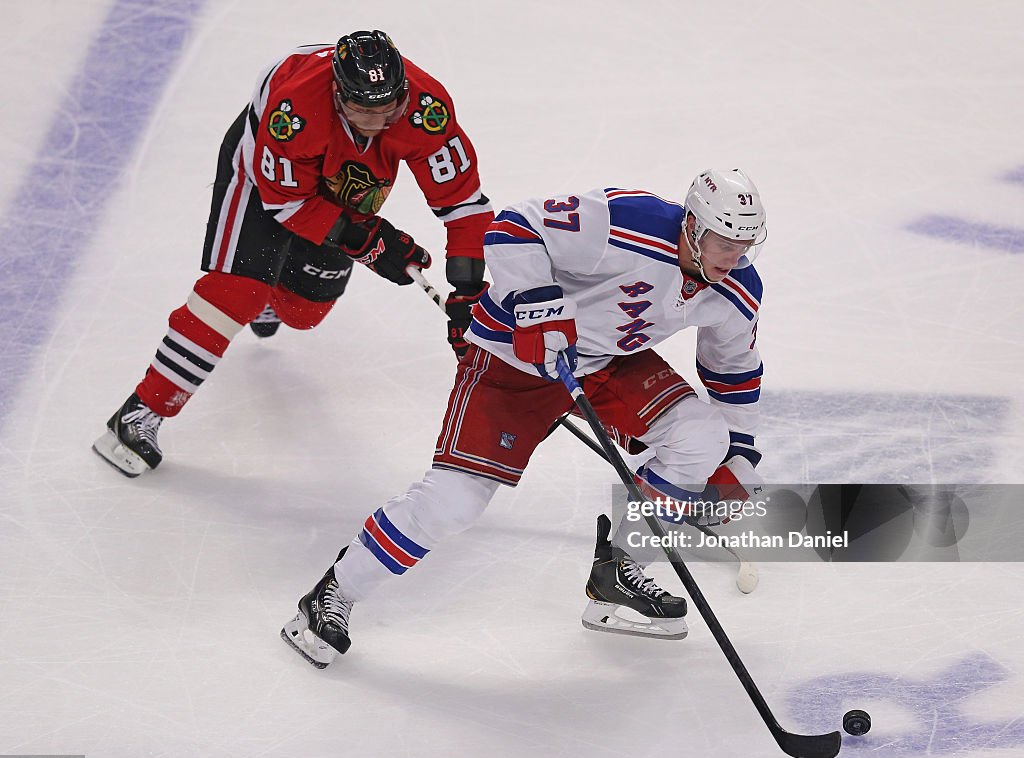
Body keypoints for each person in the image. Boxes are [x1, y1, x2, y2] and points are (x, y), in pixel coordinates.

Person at [281, 169, 768, 668]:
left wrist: (740, 455)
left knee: (702, 437)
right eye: (722, 242)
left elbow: (733, 371)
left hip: (605, 364)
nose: (733, 258)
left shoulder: (736, 289)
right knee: (455, 502)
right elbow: (514, 228)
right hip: (512, 358)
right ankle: (333, 593)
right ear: (691, 226)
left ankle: (618, 572)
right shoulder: (629, 220)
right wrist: (539, 305)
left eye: (744, 245)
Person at [93, 30, 493, 477]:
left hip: (347, 182)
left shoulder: (426, 110)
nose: (379, 123)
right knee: (236, 292)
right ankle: (139, 413)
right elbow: (286, 204)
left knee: (304, 313)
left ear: (403, 93)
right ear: (339, 95)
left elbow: (465, 205)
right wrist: (367, 240)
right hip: (266, 181)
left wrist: (470, 293)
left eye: (390, 110)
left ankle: (271, 284)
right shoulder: (295, 111)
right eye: (364, 111)